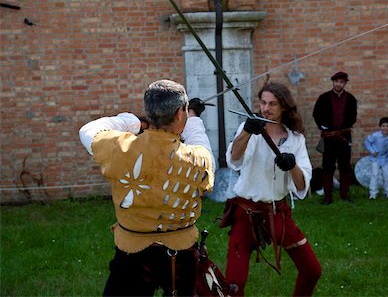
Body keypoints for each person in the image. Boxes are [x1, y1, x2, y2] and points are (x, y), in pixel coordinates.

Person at [79, 79, 215, 296]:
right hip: (180, 254)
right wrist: (193, 119)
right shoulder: (196, 158)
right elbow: (203, 146)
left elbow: (88, 130)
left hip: (132, 253)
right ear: (180, 113)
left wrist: (134, 122)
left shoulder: (122, 148)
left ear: (149, 112)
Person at [221, 82, 321, 296]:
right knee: (233, 285)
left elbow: (302, 184)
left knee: (312, 270)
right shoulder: (249, 129)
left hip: (278, 213)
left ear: (284, 106)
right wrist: (247, 131)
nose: (266, 108)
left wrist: (291, 164)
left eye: (273, 104)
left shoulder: (295, 139)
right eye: (263, 102)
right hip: (245, 213)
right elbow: (233, 159)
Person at [313, 71, 358, 204]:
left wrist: (344, 127)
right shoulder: (323, 98)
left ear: (345, 83)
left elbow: (353, 117)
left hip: (344, 136)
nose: (339, 84)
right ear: (333, 82)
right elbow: (316, 114)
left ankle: (344, 196)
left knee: (345, 166)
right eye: (337, 81)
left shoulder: (350, 99)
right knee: (327, 167)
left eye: (341, 82)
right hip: (329, 137)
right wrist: (324, 127)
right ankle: (328, 197)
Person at [364, 117, 388, 199]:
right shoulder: (375, 135)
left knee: (387, 175)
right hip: (376, 158)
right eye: (383, 126)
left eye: (387, 126)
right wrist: (372, 151)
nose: (385, 128)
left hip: (385, 158)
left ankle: (387, 193)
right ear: (380, 127)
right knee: (375, 175)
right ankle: (373, 194)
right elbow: (367, 142)